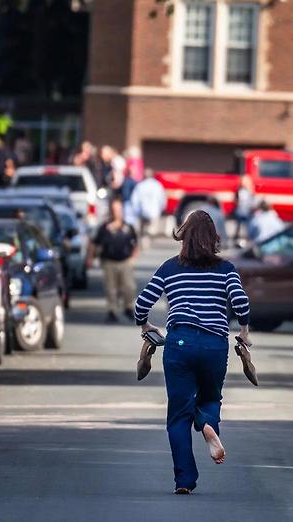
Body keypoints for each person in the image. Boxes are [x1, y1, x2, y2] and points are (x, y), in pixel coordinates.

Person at [134, 210, 251, 495]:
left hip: (180, 344)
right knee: (211, 397)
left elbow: (141, 304)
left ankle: (184, 480)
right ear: (213, 238)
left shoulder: (169, 268)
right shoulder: (226, 269)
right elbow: (240, 302)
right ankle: (208, 424)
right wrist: (244, 331)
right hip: (213, 344)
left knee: (178, 415)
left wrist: (146, 325)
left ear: (183, 236)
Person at [87, 198, 139, 322]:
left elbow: (136, 243)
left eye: (119, 209)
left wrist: (133, 257)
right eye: (114, 210)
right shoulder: (104, 228)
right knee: (111, 288)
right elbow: (94, 243)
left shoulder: (128, 227)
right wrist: (90, 257)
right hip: (109, 261)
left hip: (125, 260)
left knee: (128, 286)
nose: (117, 212)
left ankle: (128, 307)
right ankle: (112, 311)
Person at [130, 168, 167, 247]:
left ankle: (144, 243)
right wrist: (161, 208)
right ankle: (149, 243)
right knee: (151, 230)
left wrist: (136, 211)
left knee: (143, 230)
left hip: (142, 211)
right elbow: (162, 198)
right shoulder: (157, 185)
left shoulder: (140, 185)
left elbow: (135, 200)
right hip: (154, 211)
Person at [232, 175, 255, 247]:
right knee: (239, 226)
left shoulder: (250, 191)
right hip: (240, 211)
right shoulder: (239, 190)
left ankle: (245, 240)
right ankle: (237, 240)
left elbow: (252, 201)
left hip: (247, 211)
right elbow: (235, 200)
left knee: (247, 227)